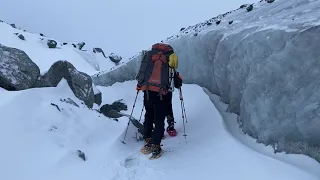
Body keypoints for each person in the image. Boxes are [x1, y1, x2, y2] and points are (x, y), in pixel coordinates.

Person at [135, 43, 179, 158]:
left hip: (147, 90)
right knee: (159, 118)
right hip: (161, 93)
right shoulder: (170, 57)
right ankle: (156, 146)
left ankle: (148, 139)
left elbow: (142, 70)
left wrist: (139, 85)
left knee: (149, 114)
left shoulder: (150, 56)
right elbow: (173, 75)